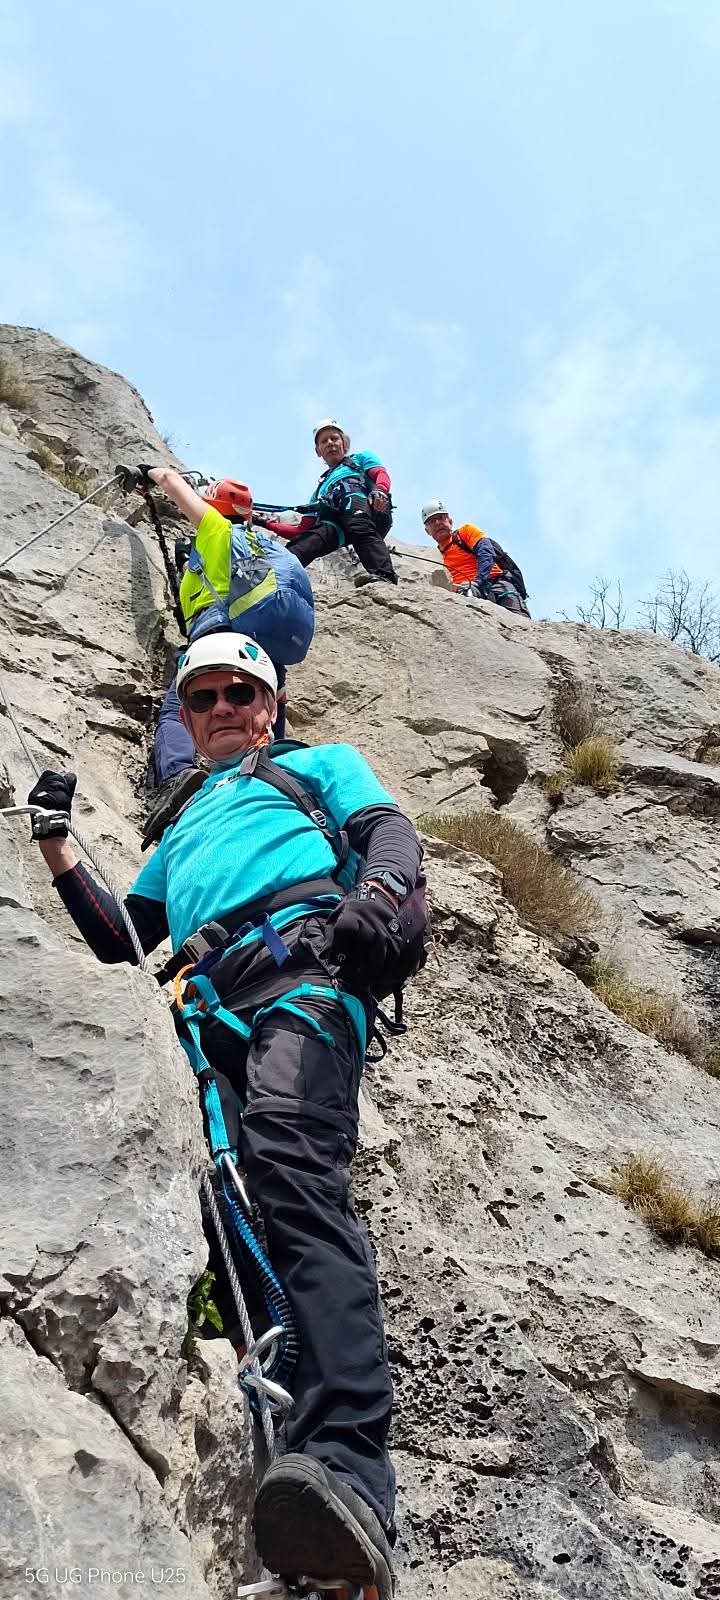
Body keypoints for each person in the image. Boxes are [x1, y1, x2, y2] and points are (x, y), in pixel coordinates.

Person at [26, 631, 422, 1599]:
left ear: (269, 704)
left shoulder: (314, 767)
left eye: (239, 692)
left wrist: (374, 896)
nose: (222, 710)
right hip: (207, 1009)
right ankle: (294, 1460)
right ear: (187, 717)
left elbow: (389, 833)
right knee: (227, 1205)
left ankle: (352, 1467)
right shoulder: (180, 830)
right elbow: (125, 938)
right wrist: (57, 844)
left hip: (304, 969)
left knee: (291, 1163)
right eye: (202, 698)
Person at [116, 465, 315, 847]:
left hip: (219, 637)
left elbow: (172, 482)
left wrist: (149, 472)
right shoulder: (260, 549)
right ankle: (274, 790)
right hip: (266, 654)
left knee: (180, 710)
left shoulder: (217, 530)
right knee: (265, 714)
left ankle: (177, 778)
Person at [262, 421, 398, 587]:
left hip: (366, 507)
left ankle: (384, 575)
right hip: (338, 522)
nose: (330, 443)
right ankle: (273, 580)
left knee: (357, 520)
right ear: (318, 451)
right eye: (324, 441)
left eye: (334, 438)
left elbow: (380, 473)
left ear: (344, 443)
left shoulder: (360, 458)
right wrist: (267, 524)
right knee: (306, 542)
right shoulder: (319, 492)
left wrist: (381, 491)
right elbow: (301, 531)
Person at [421, 500, 530, 616]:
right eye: (432, 521)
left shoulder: (465, 533)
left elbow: (486, 552)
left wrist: (478, 583)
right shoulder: (435, 558)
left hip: (496, 586)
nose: (437, 523)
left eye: (440, 517)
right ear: (427, 531)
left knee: (519, 619)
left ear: (450, 521)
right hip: (465, 597)